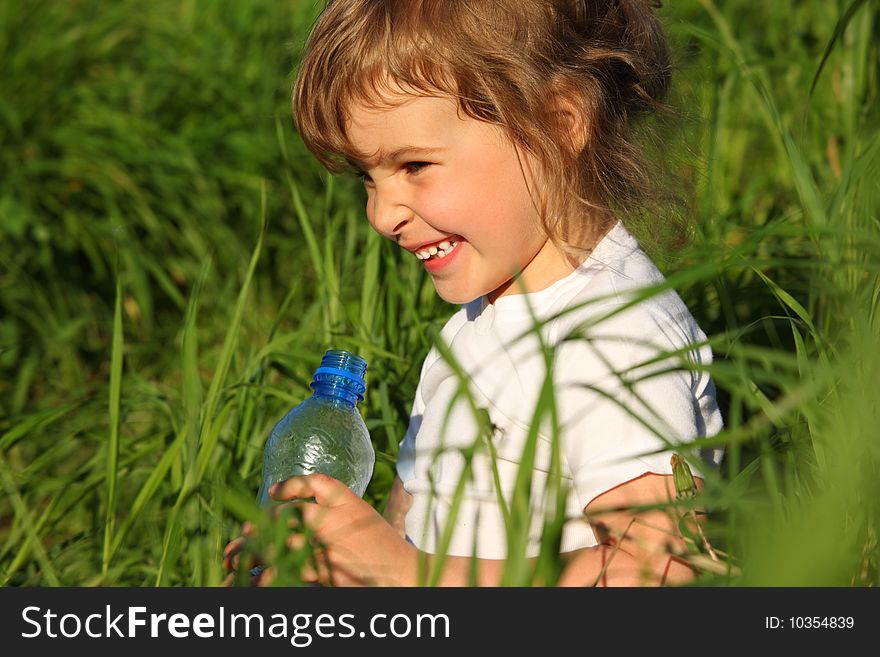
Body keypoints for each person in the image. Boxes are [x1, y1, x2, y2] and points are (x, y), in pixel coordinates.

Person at [224, 0, 724, 587]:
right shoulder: (476, 325)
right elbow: (410, 530)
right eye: (367, 176)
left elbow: (661, 568)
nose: (382, 215)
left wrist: (407, 574)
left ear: (560, 124)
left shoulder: (616, 335)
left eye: (413, 165)